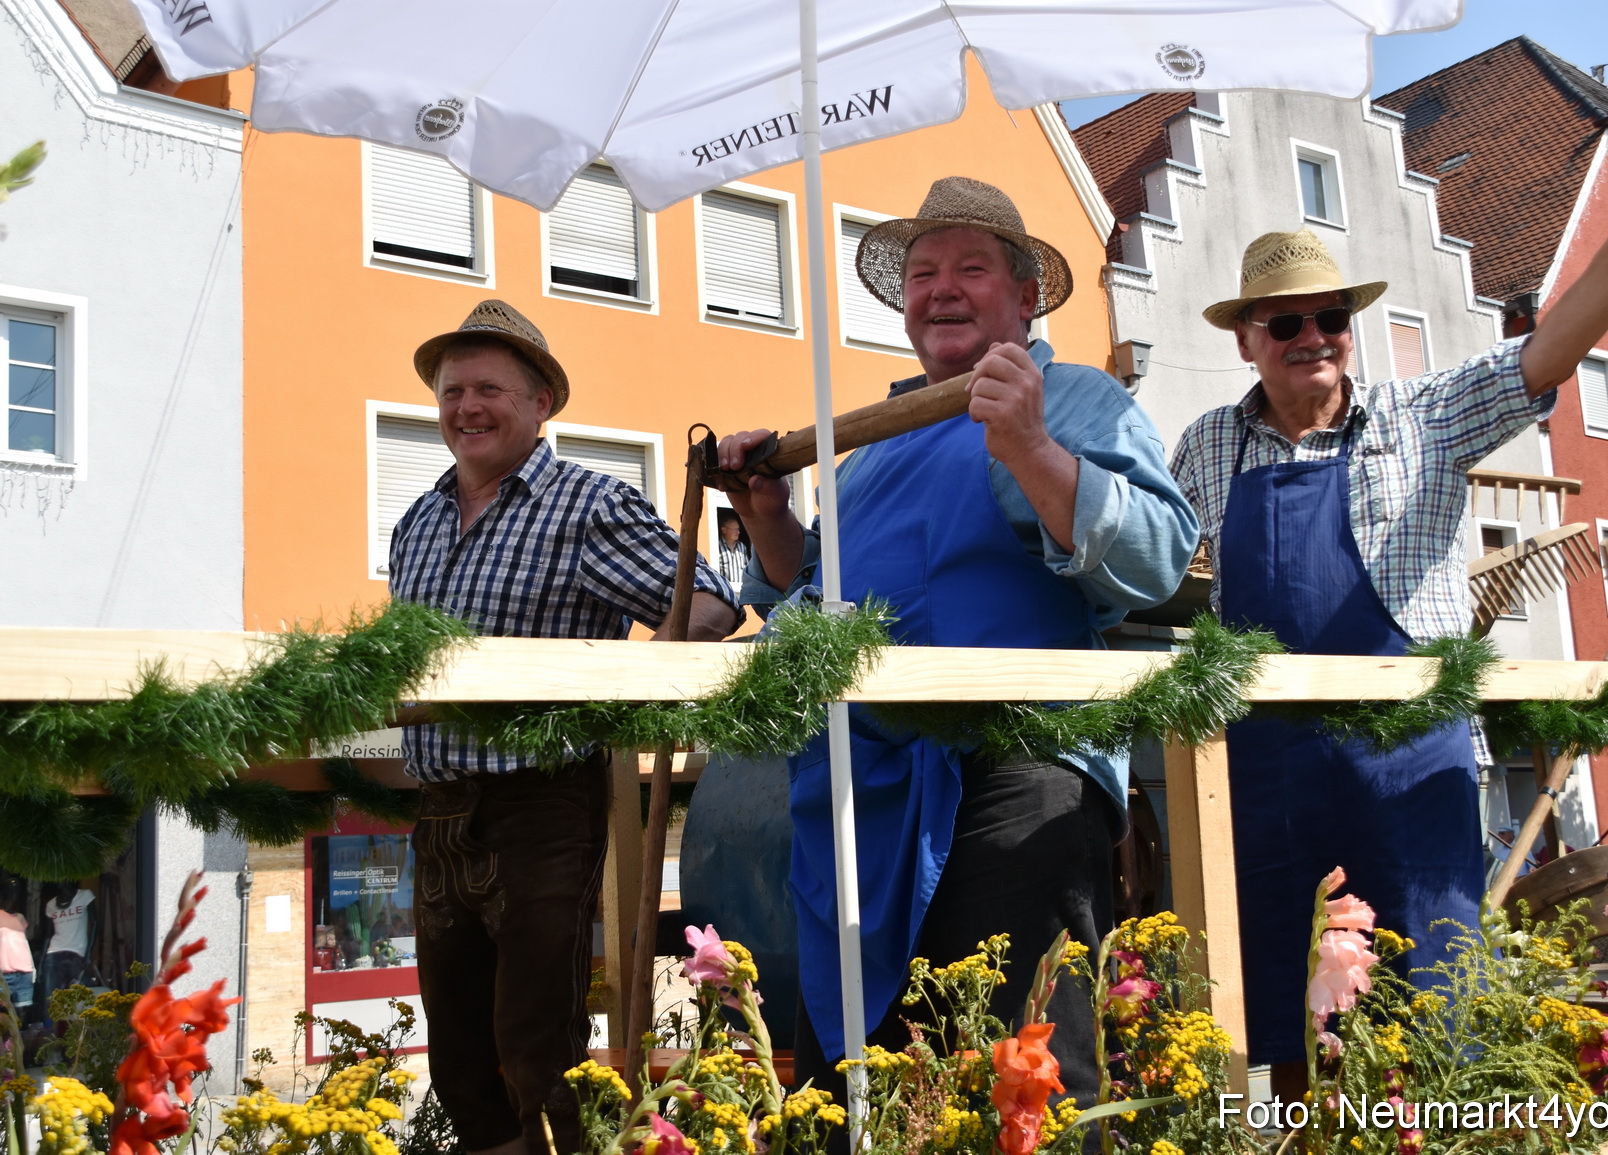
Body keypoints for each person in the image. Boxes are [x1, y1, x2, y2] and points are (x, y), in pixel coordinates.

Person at [1170, 111, 1608, 1094]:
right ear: (1247, 338)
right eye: (1286, 321)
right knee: (1292, 1031)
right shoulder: (1205, 446)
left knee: (1434, 1025)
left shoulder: (1418, 417)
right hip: (1267, 783)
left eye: (1330, 318)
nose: (1313, 338)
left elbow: (1549, 347)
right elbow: (1156, 567)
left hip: (1407, 770)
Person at [715, 177, 1198, 1098]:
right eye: (923, 273)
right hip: (868, 792)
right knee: (863, 1071)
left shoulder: (1077, 397)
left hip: (1023, 762)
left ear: (1026, 299)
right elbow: (814, 602)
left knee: (1018, 1069)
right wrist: (770, 516)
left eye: (971, 268)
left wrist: (1030, 446)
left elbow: (1158, 558)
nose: (940, 287)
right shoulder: (869, 450)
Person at [391, 299, 742, 1155]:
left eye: (489, 390)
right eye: (453, 391)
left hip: (540, 802)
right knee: (460, 1059)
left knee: (535, 1046)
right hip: (436, 806)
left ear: (543, 400)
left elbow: (709, 607)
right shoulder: (417, 520)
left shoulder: (588, 504)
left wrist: (645, 666)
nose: (466, 407)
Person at [42, 881, 93, 1001]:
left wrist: (88, 953)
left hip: (76, 953)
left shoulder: (85, 896)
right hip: (54, 952)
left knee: (79, 999)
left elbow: (95, 923)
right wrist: (42, 960)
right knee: (50, 998)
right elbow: (48, 935)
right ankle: (49, 1020)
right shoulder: (51, 904)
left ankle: (77, 1020)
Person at [0, 880, 33, 1019]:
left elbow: (23, 943)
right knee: (3, 1013)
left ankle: (19, 1040)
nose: (12, 899)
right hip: (4, 974)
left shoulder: (20, 917)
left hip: (25, 973)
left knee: (22, 1013)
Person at [715, 510, 751, 592]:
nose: (738, 532)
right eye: (735, 529)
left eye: (738, 529)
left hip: (741, 591)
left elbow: (747, 570)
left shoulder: (742, 547)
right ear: (724, 530)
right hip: (725, 591)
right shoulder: (717, 547)